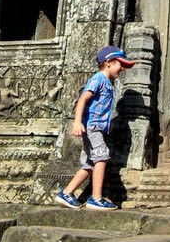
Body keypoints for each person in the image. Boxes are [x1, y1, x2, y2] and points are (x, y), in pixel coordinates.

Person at [56, 45, 134, 210]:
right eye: (120, 64)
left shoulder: (107, 83)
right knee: (102, 157)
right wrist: (77, 122)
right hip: (91, 127)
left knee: (90, 164)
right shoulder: (98, 79)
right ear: (108, 63)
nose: (122, 68)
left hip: (97, 127)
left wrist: (108, 122)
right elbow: (82, 100)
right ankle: (95, 198)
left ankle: (67, 193)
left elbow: (101, 107)